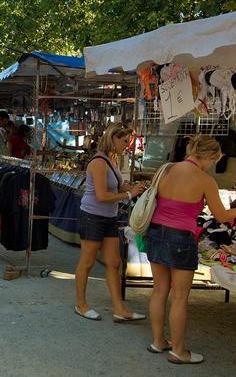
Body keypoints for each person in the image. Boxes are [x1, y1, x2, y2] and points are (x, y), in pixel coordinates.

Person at [146, 136, 236, 365]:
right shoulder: (205, 180)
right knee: (180, 297)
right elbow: (222, 216)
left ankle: (157, 341)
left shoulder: (164, 169)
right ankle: (178, 351)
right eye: (216, 159)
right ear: (211, 156)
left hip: (154, 232)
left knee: (159, 290)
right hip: (180, 239)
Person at [74, 122, 146, 323]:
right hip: (93, 216)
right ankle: (81, 304)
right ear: (113, 139)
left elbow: (117, 185)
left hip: (108, 217)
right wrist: (128, 194)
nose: (127, 145)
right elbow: (102, 195)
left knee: (114, 262)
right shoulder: (98, 162)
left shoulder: (111, 160)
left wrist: (133, 188)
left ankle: (119, 308)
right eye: (124, 141)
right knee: (87, 262)